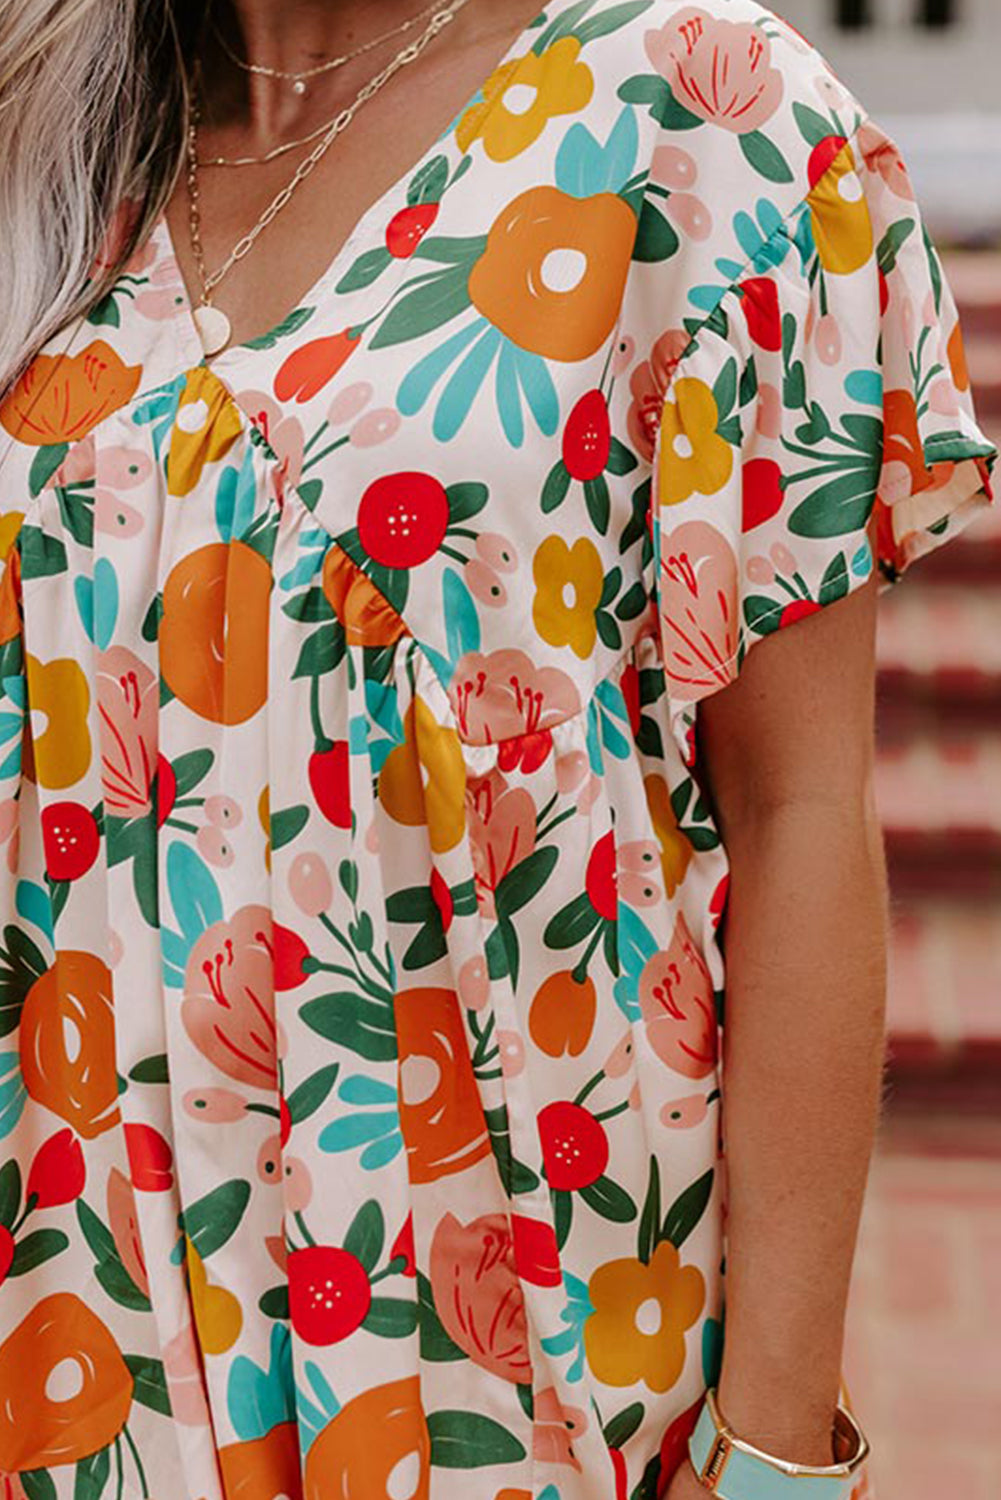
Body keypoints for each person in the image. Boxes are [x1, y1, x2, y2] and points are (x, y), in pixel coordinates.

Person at [0, 1, 994, 1497]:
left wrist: (776, 1452)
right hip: (81, 1322)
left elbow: (799, 806)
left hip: (505, 1342)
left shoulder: (699, 123)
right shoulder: (43, 140)